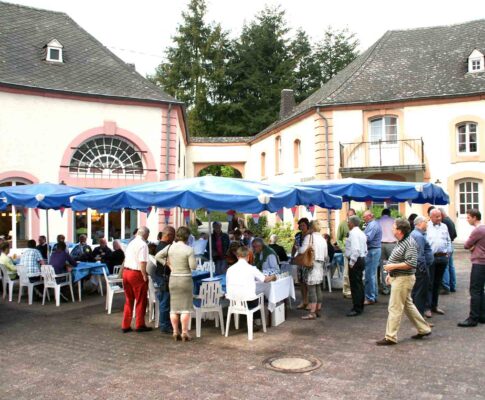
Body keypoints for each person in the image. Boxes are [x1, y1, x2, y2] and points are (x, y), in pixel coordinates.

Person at [376, 218, 432, 346]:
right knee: (408, 305)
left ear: (400, 230)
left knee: (394, 307)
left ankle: (390, 336)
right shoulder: (402, 241)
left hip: (403, 279)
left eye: (394, 227)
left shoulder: (409, 242)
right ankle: (424, 328)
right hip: (399, 278)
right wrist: (391, 274)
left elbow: (411, 263)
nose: (392, 229)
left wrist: (392, 267)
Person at [156, 226, 196, 342]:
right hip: (185, 280)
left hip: (173, 279)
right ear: (187, 237)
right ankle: (184, 332)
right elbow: (193, 266)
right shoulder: (189, 250)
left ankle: (174, 331)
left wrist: (168, 264)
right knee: (185, 308)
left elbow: (158, 256)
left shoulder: (170, 247)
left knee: (173, 308)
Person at [226, 246, 276, 330]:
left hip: (233, 300)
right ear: (248, 256)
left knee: (249, 293)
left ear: (237, 256)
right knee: (257, 295)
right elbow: (265, 279)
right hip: (247, 299)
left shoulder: (229, 269)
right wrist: (273, 276)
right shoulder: (251, 268)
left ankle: (251, 320)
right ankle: (257, 321)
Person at [121, 226, 152, 333]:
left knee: (129, 300)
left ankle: (125, 325)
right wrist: (144, 275)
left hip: (126, 272)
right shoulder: (143, 245)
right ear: (146, 234)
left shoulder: (131, 243)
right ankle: (140, 324)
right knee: (140, 300)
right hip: (136, 273)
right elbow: (142, 261)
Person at [458, 209, 485, 327]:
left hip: (479, 262)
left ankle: (473, 318)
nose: (467, 219)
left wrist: (472, 247)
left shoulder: (478, 230)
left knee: (475, 290)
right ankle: (482, 315)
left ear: (474, 217)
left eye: (468, 217)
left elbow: (466, 245)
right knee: (480, 290)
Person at [425, 208, 452, 318]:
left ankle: (434, 306)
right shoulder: (426, 226)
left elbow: (448, 240)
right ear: (430, 217)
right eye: (436, 217)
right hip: (432, 258)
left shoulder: (444, 226)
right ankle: (427, 307)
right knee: (429, 283)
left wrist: (448, 252)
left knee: (438, 283)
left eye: (440, 216)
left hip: (442, 258)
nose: (439, 218)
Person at [299, 221, 328, 320]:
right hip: (320, 264)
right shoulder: (323, 239)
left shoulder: (309, 237)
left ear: (311, 228)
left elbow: (302, 251)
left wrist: (298, 248)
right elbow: (325, 255)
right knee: (318, 288)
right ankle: (318, 309)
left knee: (311, 289)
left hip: (311, 264)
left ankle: (312, 312)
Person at [151, 226, 175, 334]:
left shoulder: (160, 245)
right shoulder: (164, 247)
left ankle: (165, 323)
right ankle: (164, 325)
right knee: (165, 301)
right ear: (168, 235)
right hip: (164, 277)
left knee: (164, 301)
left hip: (161, 276)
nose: (174, 238)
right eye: (173, 235)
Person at [410, 216, 434, 316]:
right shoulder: (418, 236)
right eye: (425, 222)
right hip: (421, 268)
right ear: (420, 223)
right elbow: (420, 255)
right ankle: (419, 316)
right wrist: (423, 268)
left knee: (417, 291)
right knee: (420, 292)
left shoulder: (416, 234)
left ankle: (417, 315)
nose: (427, 224)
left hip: (419, 267)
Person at [345, 216, 367, 317]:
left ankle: (357, 307)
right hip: (361, 259)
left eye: (348, 222)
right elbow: (365, 248)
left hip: (356, 260)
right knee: (359, 284)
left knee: (355, 285)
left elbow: (356, 249)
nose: (347, 224)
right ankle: (360, 306)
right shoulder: (361, 233)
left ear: (352, 223)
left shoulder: (353, 233)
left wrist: (351, 262)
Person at [363, 210, 382, 305]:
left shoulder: (372, 225)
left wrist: (358, 236)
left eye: (364, 217)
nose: (363, 218)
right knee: (372, 274)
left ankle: (370, 297)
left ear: (370, 216)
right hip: (374, 250)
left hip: (373, 250)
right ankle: (373, 296)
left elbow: (368, 238)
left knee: (369, 275)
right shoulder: (372, 224)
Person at [292, 218, 311, 308]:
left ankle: (310, 302)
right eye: (300, 225)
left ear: (307, 225)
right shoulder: (298, 235)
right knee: (301, 282)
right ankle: (304, 301)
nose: (302, 227)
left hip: (308, 260)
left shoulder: (311, 235)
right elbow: (294, 246)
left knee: (308, 282)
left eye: (303, 225)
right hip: (300, 260)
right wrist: (292, 257)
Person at [337, 209, 355, 299]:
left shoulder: (356, 225)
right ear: (347, 216)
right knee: (347, 272)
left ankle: (353, 289)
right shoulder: (342, 224)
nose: (351, 217)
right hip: (347, 252)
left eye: (352, 216)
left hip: (355, 252)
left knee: (355, 272)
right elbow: (338, 239)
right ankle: (347, 291)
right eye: (349, 216)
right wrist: (343, 249)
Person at [439, 208, 457, 293]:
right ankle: (452, 285)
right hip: (451, 245)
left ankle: (446, 286)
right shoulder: (450, 220)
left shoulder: (444, 222)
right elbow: (455, 234)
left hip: (447, 246)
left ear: (441, 215)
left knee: (446, 267)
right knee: (451, 267)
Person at [379, 208, 396, 295]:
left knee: (384, 266)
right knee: (393, 265)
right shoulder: (394, 221)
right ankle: (393, 286)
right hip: (392, 245)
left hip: (381, 245)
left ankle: (385, 288)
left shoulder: (378, 221)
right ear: (389, 214)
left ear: (382, 214)